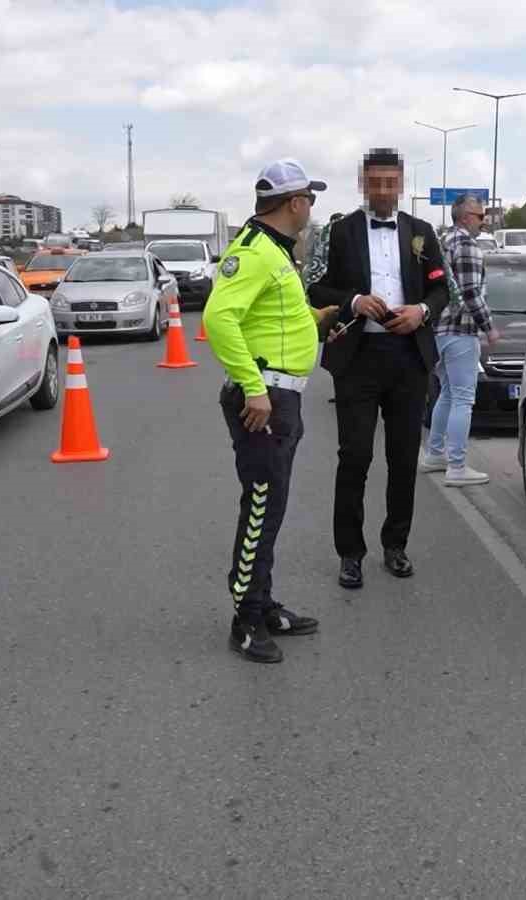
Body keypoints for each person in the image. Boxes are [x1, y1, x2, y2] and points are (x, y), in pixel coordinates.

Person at [204, 158, 337, 664]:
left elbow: (274, 316)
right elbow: (220, 318)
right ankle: (245, 620)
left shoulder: (279, 252)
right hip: (265, 402)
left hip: (282, 399)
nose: (311, 209)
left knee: (271, 508)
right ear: (295, 203)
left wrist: (316, 319)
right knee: (260, 508)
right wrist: (253, 388)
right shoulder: (256, 252)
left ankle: (263, 603)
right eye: (311, 200)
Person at [305, 148, 451, 590]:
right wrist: (353, 301)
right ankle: (350, 553)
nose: (384, 191)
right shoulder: (340, 231)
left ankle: (395, 545)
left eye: (391, 183)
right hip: (359, 358)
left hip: (409, 358)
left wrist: (422, 312)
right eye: (376, 183)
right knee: (355, 456)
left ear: (401, 184)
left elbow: (443, 290)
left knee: (403, 457)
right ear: (363, 184)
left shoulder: (422, 232)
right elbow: (315, 285)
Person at [421, 193, 497, 486]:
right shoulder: (466, 245)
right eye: (480, 216)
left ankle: (435, 454)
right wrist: (489, 327)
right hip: (460, 330)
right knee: (464, 398)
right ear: (465, 216)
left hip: (439, 330)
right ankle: (457, 466)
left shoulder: (444, 242)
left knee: (448, 394)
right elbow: (470, 293)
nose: (484, 220)